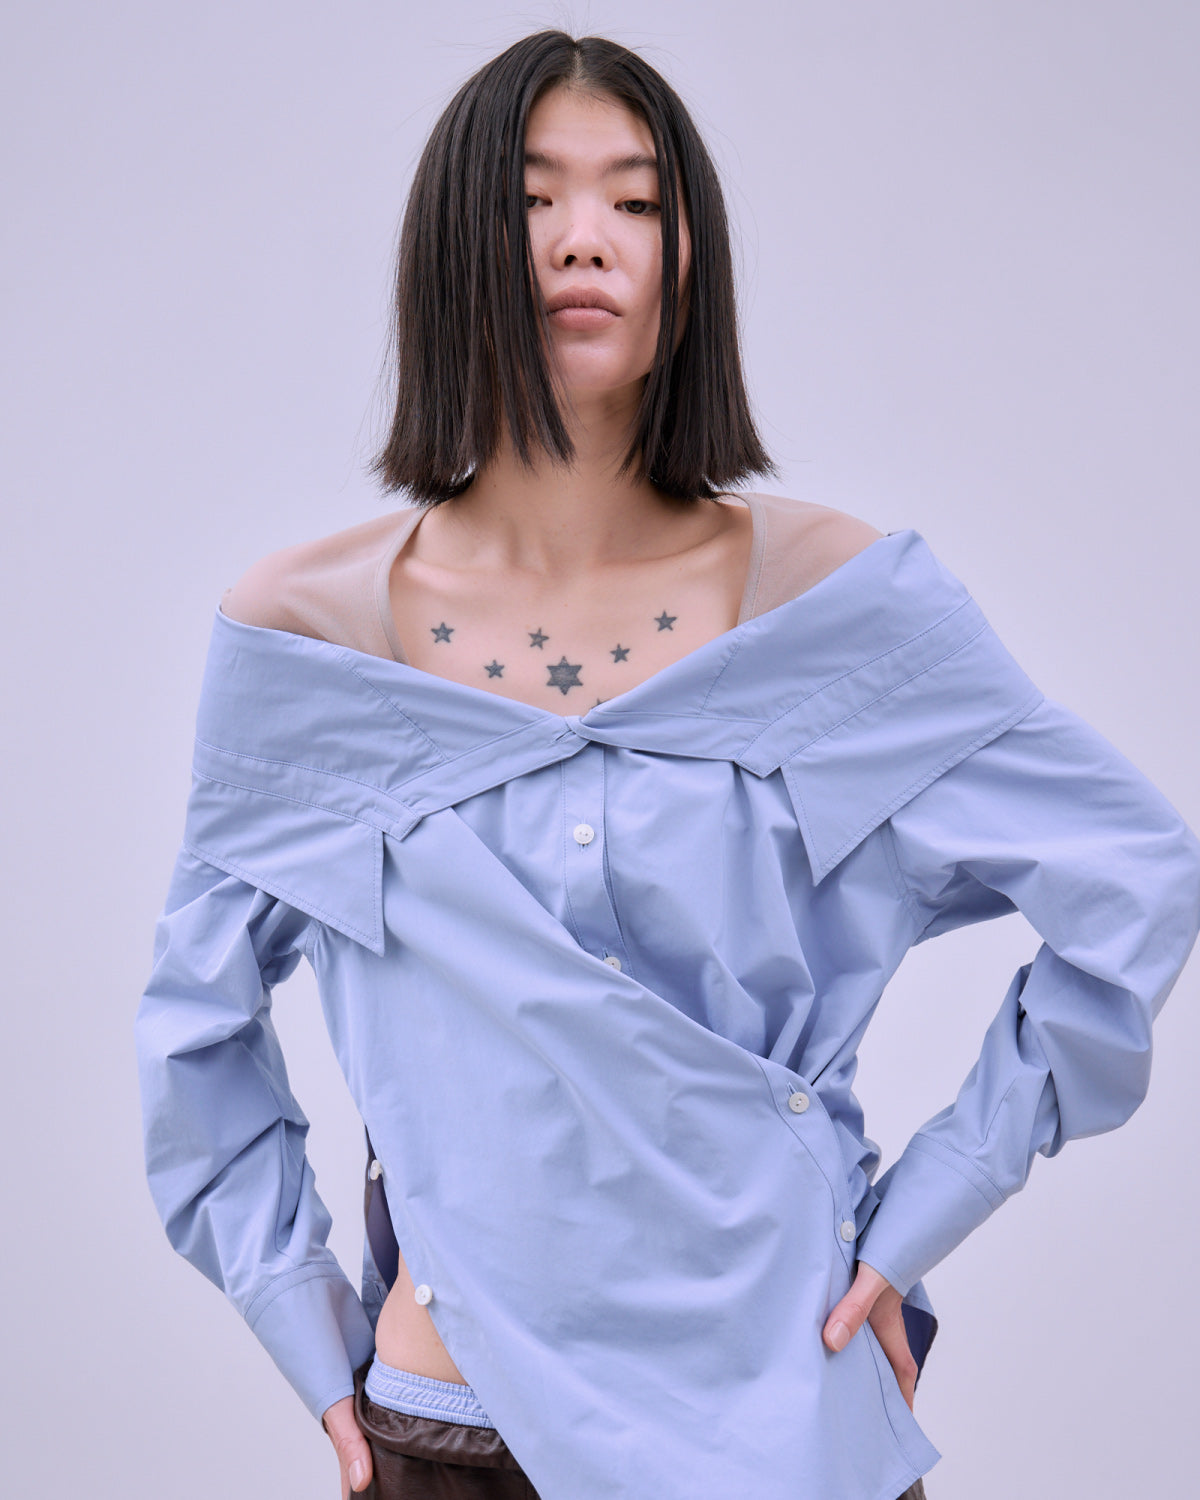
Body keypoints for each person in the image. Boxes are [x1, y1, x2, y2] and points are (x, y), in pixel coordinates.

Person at [135, 29, 1200, 1500]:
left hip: (789, 1432)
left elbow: (1132, 879)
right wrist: (302, 1327)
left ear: (688, 260)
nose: (584, 239)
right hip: (448, 1436)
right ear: (451, 248)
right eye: (531, 200)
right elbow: (194, 1033)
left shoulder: (840, 607)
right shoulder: (302, 639)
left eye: (635, 201)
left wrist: (927, 1211)